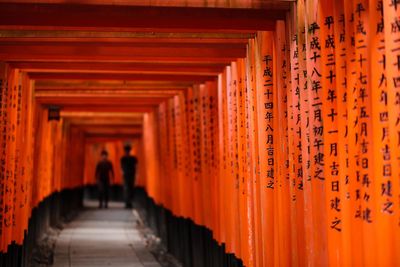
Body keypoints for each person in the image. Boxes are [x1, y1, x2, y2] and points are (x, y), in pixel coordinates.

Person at [120, 144, 138, 209]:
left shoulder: (130, 158)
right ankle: (128, 203)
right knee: (128, 189)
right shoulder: (125, 159)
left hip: (129, 175)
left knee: (129, 189)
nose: (127, 152)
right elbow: (121, 168)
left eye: (127, 151)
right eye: (126, 151)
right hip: (128, 176)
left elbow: (136, 167)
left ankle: (128, 203)